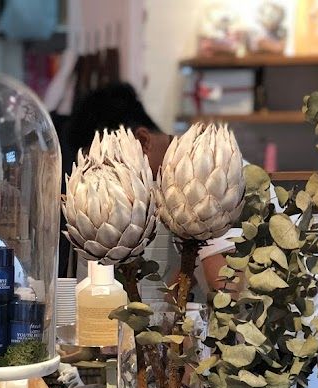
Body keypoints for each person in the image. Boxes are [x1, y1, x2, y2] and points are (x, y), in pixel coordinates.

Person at [59, 82, 234, 295]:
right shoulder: (163, 190)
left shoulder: (211, 173)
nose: (105, 185)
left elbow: (227, 287)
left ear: (142, 142)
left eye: (111, 166)